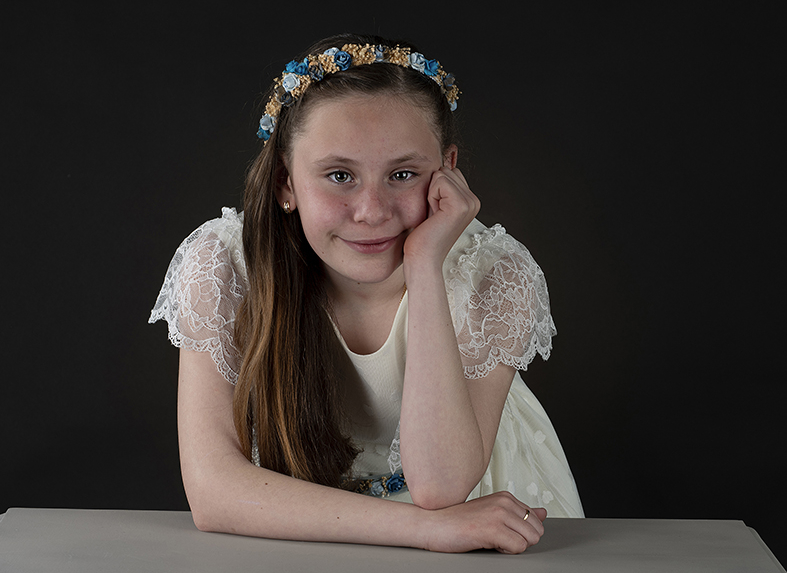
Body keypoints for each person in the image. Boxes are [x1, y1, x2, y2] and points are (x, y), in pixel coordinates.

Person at [150, 33, 583, 554]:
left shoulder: (493, 275)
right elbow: (214, 491)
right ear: (286, 182)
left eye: (402, 174)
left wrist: (424, 266)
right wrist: (428, 530)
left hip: (479, 505)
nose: (372, 212)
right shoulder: (223, 266)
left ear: (447, 170)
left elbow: (441, 488)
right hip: (307, 519)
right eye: (339, 175)